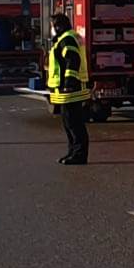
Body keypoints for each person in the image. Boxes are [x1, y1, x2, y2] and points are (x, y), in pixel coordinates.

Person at [46, 13, 91, 165]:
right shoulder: (65, 39)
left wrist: (69, 83)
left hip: (71, 90)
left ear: (58, 26)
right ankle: (72, 152)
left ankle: (79, 154)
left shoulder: (67, 39)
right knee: (68, 123)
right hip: (67, 90)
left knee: (74, 123)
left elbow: (72, 61)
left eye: (52, 26)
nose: (51, 29)